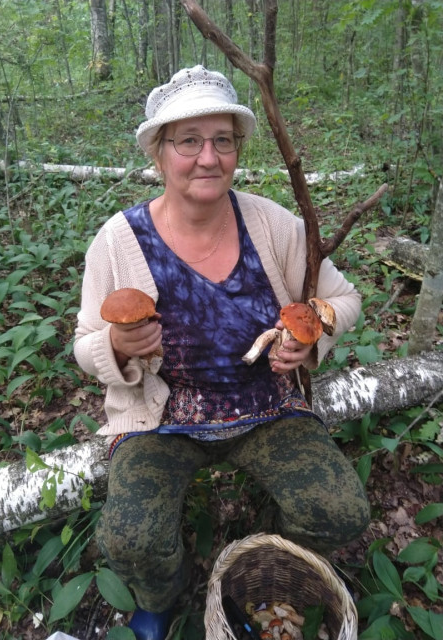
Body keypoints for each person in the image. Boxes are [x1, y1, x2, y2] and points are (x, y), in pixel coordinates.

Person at [74, 65, 370, 640]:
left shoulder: (273, 224)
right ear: (159, 153)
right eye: (188, 141)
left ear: (237, 150)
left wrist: (310, 336)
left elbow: (342, 298)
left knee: (339, 511)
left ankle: (273, 565)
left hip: (268, 409)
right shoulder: (118, 240)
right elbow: (84, 343)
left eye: (223, 141)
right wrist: (113, 344)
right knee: (127, 536)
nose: (207, 157)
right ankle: (162, 593)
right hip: (164, 422)